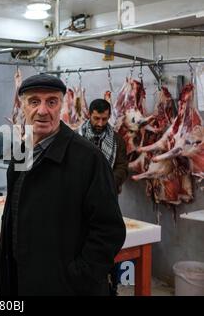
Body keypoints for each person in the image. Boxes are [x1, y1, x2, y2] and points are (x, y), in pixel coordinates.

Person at [0, 74, 126, 296]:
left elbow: (109, 231)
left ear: (61, 106)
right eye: (34, 101)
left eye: (52, 102)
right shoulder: (20, 154)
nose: (43, 110)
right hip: (20, 281)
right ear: (23, 107)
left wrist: (77, 276)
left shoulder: (88, 159)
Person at [77, 98, 129, 296]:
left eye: (104, 119)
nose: (100, 123)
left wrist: (106, 183)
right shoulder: (77, 138)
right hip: (79, 202)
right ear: (89, 115)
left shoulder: (117, 140)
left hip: (107, 201)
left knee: (106, 246)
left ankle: (110, 287)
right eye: (96, 118)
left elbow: (123, 167)